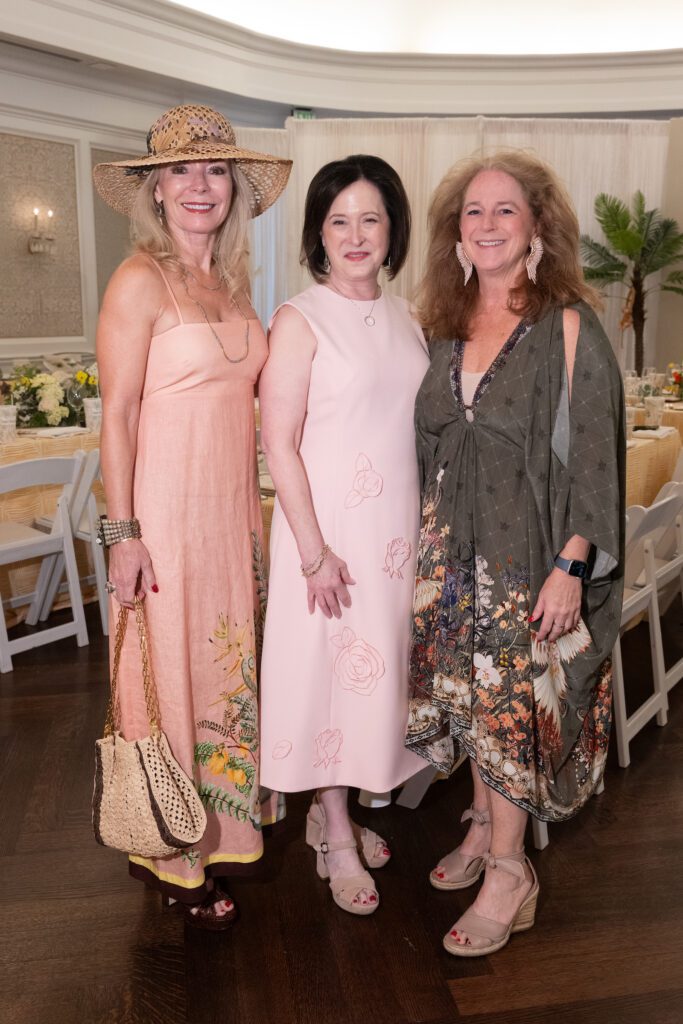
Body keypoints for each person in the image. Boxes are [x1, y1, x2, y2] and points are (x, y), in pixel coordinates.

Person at [406, 150, 624, 955]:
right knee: (469, 700)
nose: (487, 224)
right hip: (449, 555)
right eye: (473, 210)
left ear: (536, 226)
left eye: (505, 209)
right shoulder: (442, 323)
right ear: (454, 231)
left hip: (524, 560)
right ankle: (479, 821)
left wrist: (570, 565)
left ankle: (509, 869)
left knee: (507, 709)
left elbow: (595, 457)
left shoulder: (565, 325)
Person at [93, 104, 291, 930]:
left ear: (234, 188)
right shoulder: (139, 280)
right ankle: (174, 851)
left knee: (223, 676)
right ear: (155, 190)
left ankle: (223, 832)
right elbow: (117, 415)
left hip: (231, 520)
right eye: (180, 171)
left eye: (214, 170)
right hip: (165, 524)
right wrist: (124, 535)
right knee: (167, 680)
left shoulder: (234, 284)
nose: (199, 185)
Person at [259, 155, 428, 915]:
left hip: (394, 533)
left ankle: (344, 810)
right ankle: (332, 831)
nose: (355, 235)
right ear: (317, 234)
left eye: (370, 219)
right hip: (325, 534)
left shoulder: (407, 316)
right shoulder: (299, 319)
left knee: (374, 677)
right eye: (338, 221)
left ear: (392, 231)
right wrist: (313, 553)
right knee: (326, 677)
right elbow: (278, 443)